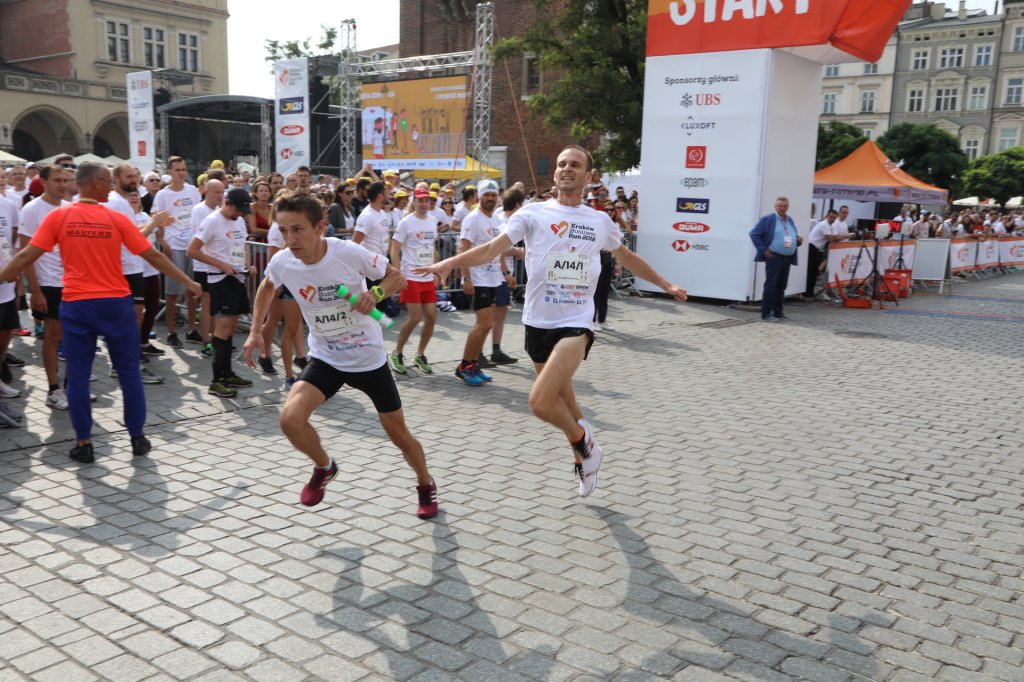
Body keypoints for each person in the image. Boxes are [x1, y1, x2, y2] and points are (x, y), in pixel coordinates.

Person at [415, 146, 687, 497]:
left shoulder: (599, 220)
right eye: (561, 164)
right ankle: (586, 460)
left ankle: (584, 444)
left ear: (588, 176)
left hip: (575, 323)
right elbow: (491, 248)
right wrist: (450, 264)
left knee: (541, 403)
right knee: (568, 403)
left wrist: (666, 284)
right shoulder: (533, 213)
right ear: (555, 174)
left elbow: (627, 257)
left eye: (574, 164)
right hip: (536, 322)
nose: (566, 169)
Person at [242, 191, 438, 518]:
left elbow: (396, 277)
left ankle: (425, 483)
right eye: (283, 230)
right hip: (327, 359)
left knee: (400, 437)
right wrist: (254, 330)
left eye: (298, 230)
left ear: (320, 227)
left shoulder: (347, 252)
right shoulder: (283, 260)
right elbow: (267, 286)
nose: (290, 239)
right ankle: (324, 466)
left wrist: (373, 294)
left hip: (368, 360)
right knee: (289, 420)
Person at [0, 161, 200, 463]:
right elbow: (151, 254)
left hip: (78, 305)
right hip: (116, 304)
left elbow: (27, 254)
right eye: (108, 182)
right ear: (94, 183)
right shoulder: (115, 218)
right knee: (129, 372)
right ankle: (137, 438)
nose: (111, 187)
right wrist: (187, 281)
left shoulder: (59, 217)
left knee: (79, 376)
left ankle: (84, 442)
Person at [106, 163, 174, 381]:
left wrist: (156, 223)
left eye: (136, 175)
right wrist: (154, 223)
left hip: (136, 268)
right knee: (128, 320)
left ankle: (129, 361)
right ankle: (126, 364)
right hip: (125, 268)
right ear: (115, 178)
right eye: (129, 176)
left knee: (136, 317)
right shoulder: (116, 202)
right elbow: (133, 238)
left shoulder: (125, 204)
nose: (134, 179)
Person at [187, 188, 257, 398]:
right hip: (219, 280)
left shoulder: (239, 220)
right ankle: (216, 381)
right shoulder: (212, 220)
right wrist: (221, 265)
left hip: (237, 278)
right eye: (238, 209)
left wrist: (249, 265)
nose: (241, 214)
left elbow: (242, 247)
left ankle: (228, 374)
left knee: (231, 329)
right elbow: (192, 250)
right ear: (227, 203)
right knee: (223, 330)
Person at [18, 165, 70, 409]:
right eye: (57, 180)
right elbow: (26, 254)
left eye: (66, 180)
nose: (63, 184)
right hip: (49, 281)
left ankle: (72, 386)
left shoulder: (70, 207)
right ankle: (52, 389)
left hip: (73, 281)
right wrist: (35, 291)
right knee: (53, 335)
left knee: (75, 335)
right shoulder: (32, 209)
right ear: (44, 182)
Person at [452, 180, 514, 384]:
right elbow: (463, 250)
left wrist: (505, 272)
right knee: (484, 323)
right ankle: (463, 367)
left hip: (494, 277)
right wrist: (466, 277)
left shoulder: (496, 219)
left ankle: (473, 365)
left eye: (493, 195)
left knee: (487, 325)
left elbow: (497, 250)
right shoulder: (472, 219)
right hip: (478, 279)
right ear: (479, 197)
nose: (490, 199)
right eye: (486, 195)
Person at [388, 188, 439, 374]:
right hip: (410, 276)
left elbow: (432, 246)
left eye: (427, 200)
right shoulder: (406, 223)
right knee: (415, 317)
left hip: (427, 277)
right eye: (421, 200)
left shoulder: (433, 221)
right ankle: (397, 353)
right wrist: (399, 274)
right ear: (414, 202)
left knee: (432, 317)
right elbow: (394, 250)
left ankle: (420, 354)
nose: (424, 203)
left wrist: (436, 270)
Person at [153, 156, 202, 348]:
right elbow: (155, 222)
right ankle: (172, 332)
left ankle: (191, 330)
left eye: (184, 169)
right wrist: (162, 240)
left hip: (192, 246)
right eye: (178, 170)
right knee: (173, 292)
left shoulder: (192, 190)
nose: (182, 173)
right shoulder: (162, 195)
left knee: (193, 290)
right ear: (170, 173)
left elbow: (198, 215)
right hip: (174, 246)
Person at [260, 218, 307, 389]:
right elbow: (275, 257)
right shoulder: (277, 228)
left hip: (301, 283)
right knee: (275, 320)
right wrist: (276, 282)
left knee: (296, 324)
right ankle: (265, 357)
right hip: (282, 280)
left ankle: (301, 357)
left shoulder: (308, 227)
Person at [750, 197, 803, 322]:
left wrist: (797, 239)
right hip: (774, 258)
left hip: (786, 258)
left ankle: (778, 312)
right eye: (780, 206)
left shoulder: (789, 220)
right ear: (775, 207)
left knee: (781, 287)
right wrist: (763, 249)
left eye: (784, 206)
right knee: (771, 286)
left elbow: (790, 236)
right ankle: (766, 313)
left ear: (788, 207)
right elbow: (754, 234)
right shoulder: (768, 219)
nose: (782, 208)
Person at [189, 178, 226, 356]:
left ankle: (215, 338)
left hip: (217, 265)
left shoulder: (219, 210)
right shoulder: (199, 210)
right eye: (216, 192)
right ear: (206, 191)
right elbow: (201, 239)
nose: (220, 196)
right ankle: (206, 342)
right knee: (207, 304)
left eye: (222, 192)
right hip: (203, 264)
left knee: (215, 305)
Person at [806, 209, 838, 298]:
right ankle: (807, 293)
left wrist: (842, 236)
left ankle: (809, 293)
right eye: (831, 217)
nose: (832, 219)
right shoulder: (824, 224)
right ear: (827, 216)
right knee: (811, 272)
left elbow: (835, 236)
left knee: (815, 272)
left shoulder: (829, 226)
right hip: (812, 247)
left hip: (816, 249)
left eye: (834, 218)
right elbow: (831, 239)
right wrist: (840, 237)